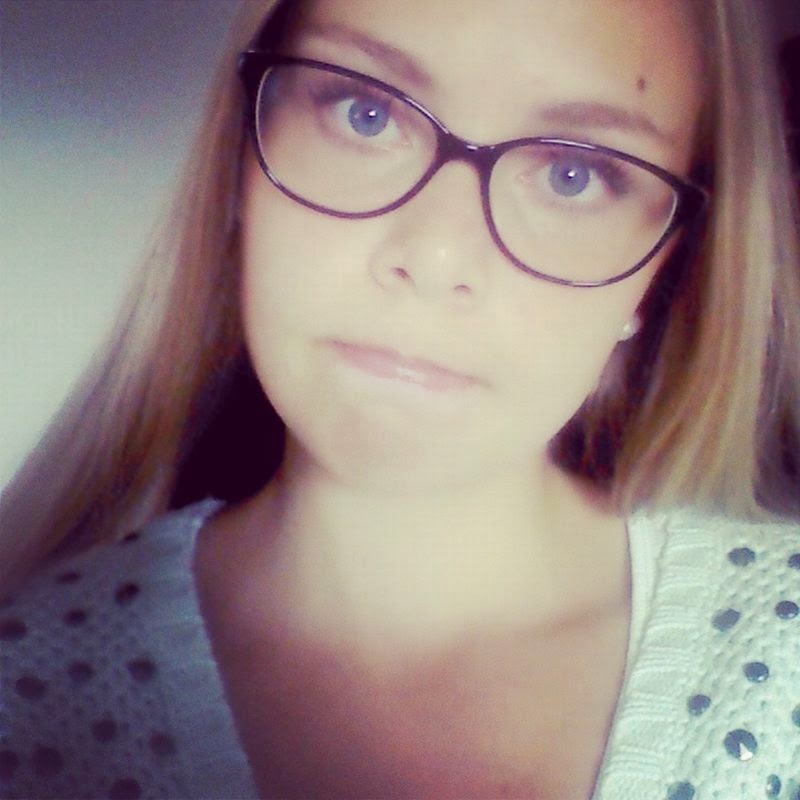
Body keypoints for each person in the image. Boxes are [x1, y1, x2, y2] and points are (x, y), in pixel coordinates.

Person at [1, 0, 799, 798]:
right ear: (242, 146)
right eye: (367, 113)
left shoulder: (781, 649)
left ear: (662, 266)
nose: (436, 254)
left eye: (573, 173)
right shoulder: (29, 700)